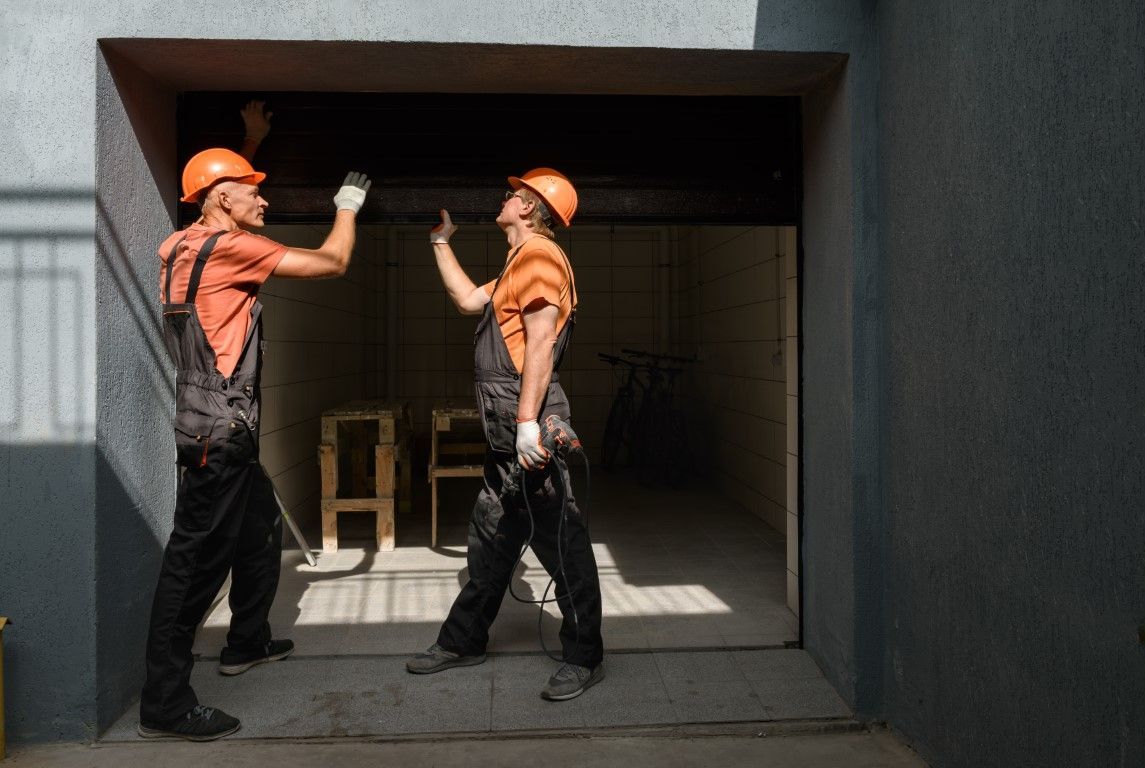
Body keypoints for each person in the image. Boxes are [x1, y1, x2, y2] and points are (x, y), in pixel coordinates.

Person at [138, 101, 372, 741]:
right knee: (194, 565)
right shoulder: (235, 248)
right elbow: (332, 262)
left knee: (260, 529)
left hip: (210, 420)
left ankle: (247, 640)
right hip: (220, 429)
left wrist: (250, 143)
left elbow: (218, 198)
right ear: (223, 199)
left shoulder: (180, 246)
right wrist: (347, 209)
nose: (265, 201)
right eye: (254, 193)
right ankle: (165, 701)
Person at [406, 168, 605, 701]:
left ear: (529, 208)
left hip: (527, 427)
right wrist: (440, 242)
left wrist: (526, 424)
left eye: (512, 195)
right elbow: (469, 299)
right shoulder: (519, 262)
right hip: (507, 432)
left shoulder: (539, 258)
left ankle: (584, 656)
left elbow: (540, 342)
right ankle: (464, 640)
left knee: (562, 543)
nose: (503, 199)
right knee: (491, 538)